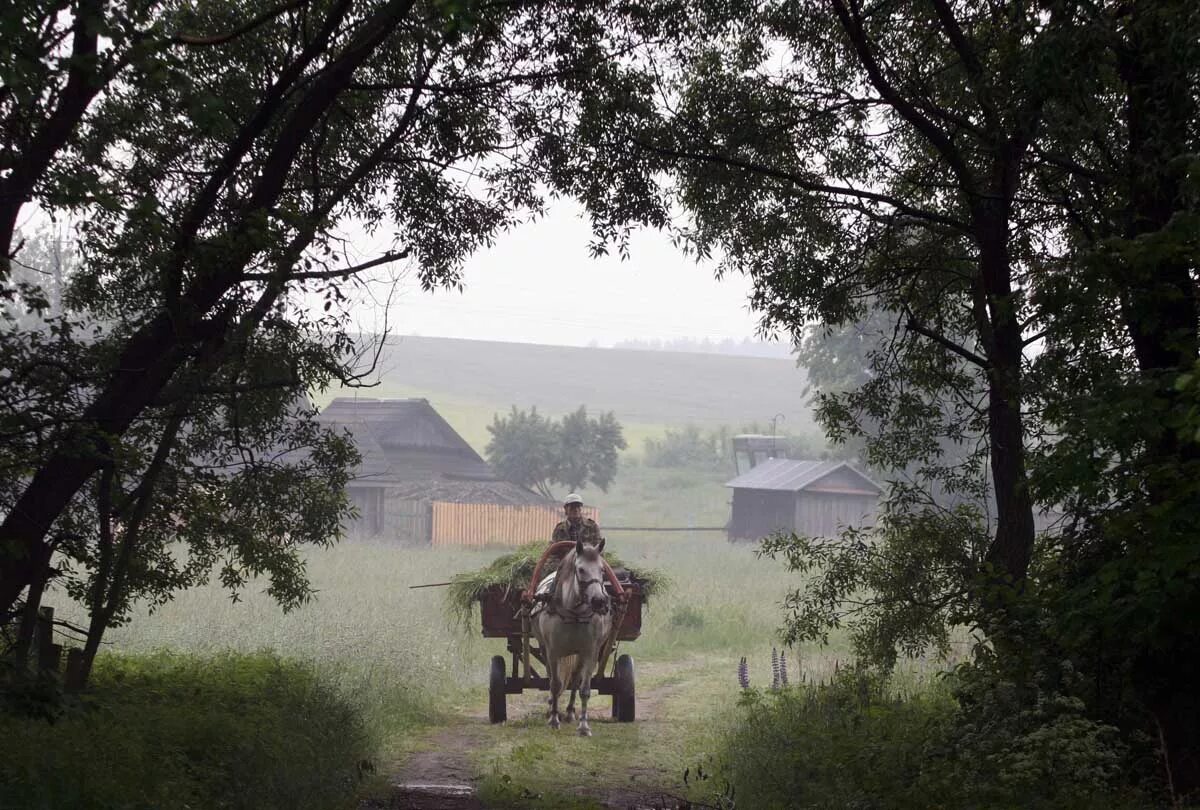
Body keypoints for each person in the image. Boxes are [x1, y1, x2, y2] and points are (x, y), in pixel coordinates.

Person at [540, 493, 603, 604]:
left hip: (587, 564)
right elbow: (554, 551)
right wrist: (556, 566)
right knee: (551, 575)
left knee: (599, 576)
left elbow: (598, 549)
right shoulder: (560, 529)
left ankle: (603, 602)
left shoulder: (592, 526)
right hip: (565, 564)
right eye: (572, 507)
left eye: (578, 507)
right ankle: (550, 600)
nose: (575, 510)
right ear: (566, 510)